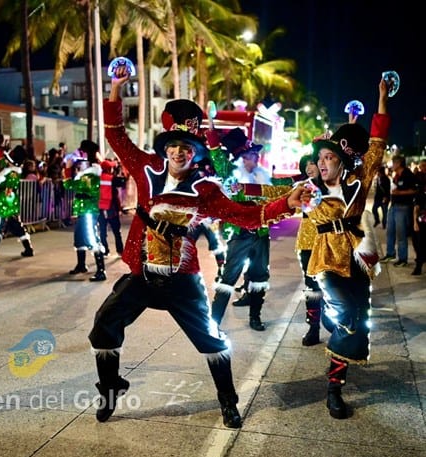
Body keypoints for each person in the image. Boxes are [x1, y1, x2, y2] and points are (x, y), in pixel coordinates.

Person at [88, 66, 306, 428]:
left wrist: (287, 204)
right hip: (143, 275)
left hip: (182, 282)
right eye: (173, 144)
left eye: (186, 147)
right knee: (103, 326)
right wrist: (115, 88)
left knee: (213, 341)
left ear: (194, 151)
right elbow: (116, 136)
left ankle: (228, 401)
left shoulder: (205, 190)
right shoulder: (145, 169)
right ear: (165, 146)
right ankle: (111, 389)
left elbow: (246, 216)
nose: (178, 152)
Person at [304, 78, 390, 419]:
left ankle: (336, 378)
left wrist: (382, 98)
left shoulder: (358, 182)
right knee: (349, 318)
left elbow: (378, 144)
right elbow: (272, 192)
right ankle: (332, 392)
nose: (322, 163)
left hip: (355, 259)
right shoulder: (309, 188)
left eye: (329, 158)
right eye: (320, 158)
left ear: (342, 161)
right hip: (326, 261)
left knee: (360, 322)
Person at [210, 128, 274, 331]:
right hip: (240, 234)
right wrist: (212, 136)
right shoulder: (231, 174)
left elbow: (279, 190)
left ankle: (255, 317)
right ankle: (214, 321)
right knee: (228, 278)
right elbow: (217, 157)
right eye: (247, 156)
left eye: (254, 155)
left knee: (259, 277)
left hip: (261, 235)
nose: (252, 159)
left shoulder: (262, 176)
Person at [64, 140, 107, 282]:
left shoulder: (91, 174)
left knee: (92, 238)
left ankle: (101, 270)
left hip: (89, 210)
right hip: (83, 209)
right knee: (79, 237)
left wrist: (67, 170)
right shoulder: (89, 172)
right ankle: (81, 265)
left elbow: (70, 185)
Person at [0, 153, 35, 261]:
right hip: (10, 203)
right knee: (16, 226)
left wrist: (4, 202)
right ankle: (28, 249)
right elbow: (1, 159)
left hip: (5, 204)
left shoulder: (12, 173)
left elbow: (8, 188)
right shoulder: (11, 170)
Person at [294, 155, 324, 346]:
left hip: (328, 241)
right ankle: (313, 328)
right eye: (306, 165)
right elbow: (276, 191)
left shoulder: (332, 184)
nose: (309, 168)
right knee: (311, 287)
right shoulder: (302, 186)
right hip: (306, 241)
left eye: (312, 163)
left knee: (331, 285)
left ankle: (337, 325)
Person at [380, 154, 419, 267]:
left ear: (398, 163)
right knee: (390, 232)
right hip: (393, 206)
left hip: (403, 207)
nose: (391, 165)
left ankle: (403, 259)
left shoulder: (408, 175)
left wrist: (400, 192)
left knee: (401, 235)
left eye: (393, 163)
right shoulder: (397, 174)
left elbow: (415, 190)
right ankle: (390, 253)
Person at [97, 159, 125, 257]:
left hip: (100, 207)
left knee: (102, 231)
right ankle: (120, 250)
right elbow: (123, 182)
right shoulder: (112, 179)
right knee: (116, 231)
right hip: (111, 208)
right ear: (110, 169)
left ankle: (105, 250)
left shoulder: (97, 178)